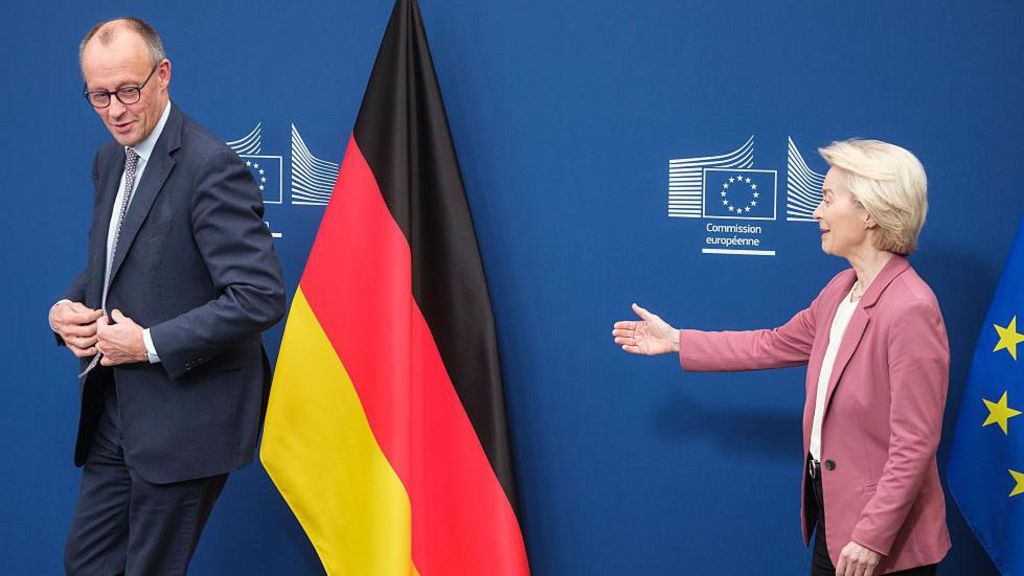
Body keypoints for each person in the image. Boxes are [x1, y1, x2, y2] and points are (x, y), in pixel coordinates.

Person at [612, 139, 950, 576]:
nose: (816, 212)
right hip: (837, 520)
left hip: (884, 539)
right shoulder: (840, 289)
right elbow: (771, 344)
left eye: (828, 199)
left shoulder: (910, 308)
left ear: (870, 213)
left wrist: (872, 536)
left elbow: (915, 443)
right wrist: (678, 340)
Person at [48, 17, 286, 574]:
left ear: (164, 76)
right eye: (99, 95)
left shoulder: (211, 167)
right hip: (114, 410)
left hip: (186, 421)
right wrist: (64, 308)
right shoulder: (110, 160)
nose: (115, 109)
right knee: (87, 564)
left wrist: (149, 343)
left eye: (128, 90)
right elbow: (113, 262)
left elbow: (258, 295)